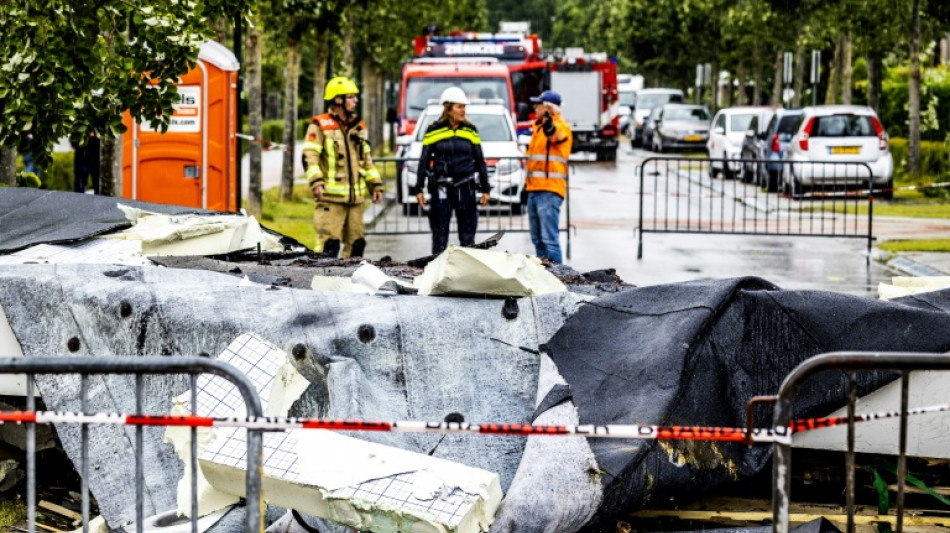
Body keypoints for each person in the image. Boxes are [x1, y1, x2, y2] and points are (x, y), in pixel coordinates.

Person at [302, 76, 383, 258]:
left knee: (356, 246)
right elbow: (310, 156)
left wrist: (375, 185)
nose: (356, 101)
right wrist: (316, 182)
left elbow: (366, 160)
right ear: (338, 100)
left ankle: (349, 283)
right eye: (351, 97)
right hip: (330, 200)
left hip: (355, 200)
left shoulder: (358, 125)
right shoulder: (320, 125)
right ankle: (321, 282)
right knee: (328, 247)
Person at [412, 87, 491, 255]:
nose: (463, 110)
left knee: (468, 236)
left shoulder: (470, 130)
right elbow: (424, 160)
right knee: (440, 236)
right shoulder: (434, 130)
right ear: (448, 109)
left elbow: (480, 160)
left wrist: (485, 188)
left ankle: (469, 272)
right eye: (459, 107)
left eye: (464, 107)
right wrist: (418, 188)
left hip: (465, 187)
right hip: (441, 188)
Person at [525, 90, 572, 264]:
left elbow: (553, 135)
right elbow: (534, 163)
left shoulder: (560, 126)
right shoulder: (537, 128)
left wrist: (550, 119)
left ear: (549, 108)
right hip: (534, 189)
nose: (535, 108)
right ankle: (543, 277)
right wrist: (526, 187)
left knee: (549, 241)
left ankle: (559, 279)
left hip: (549, 190)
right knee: (538, 240)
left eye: (539, 105)